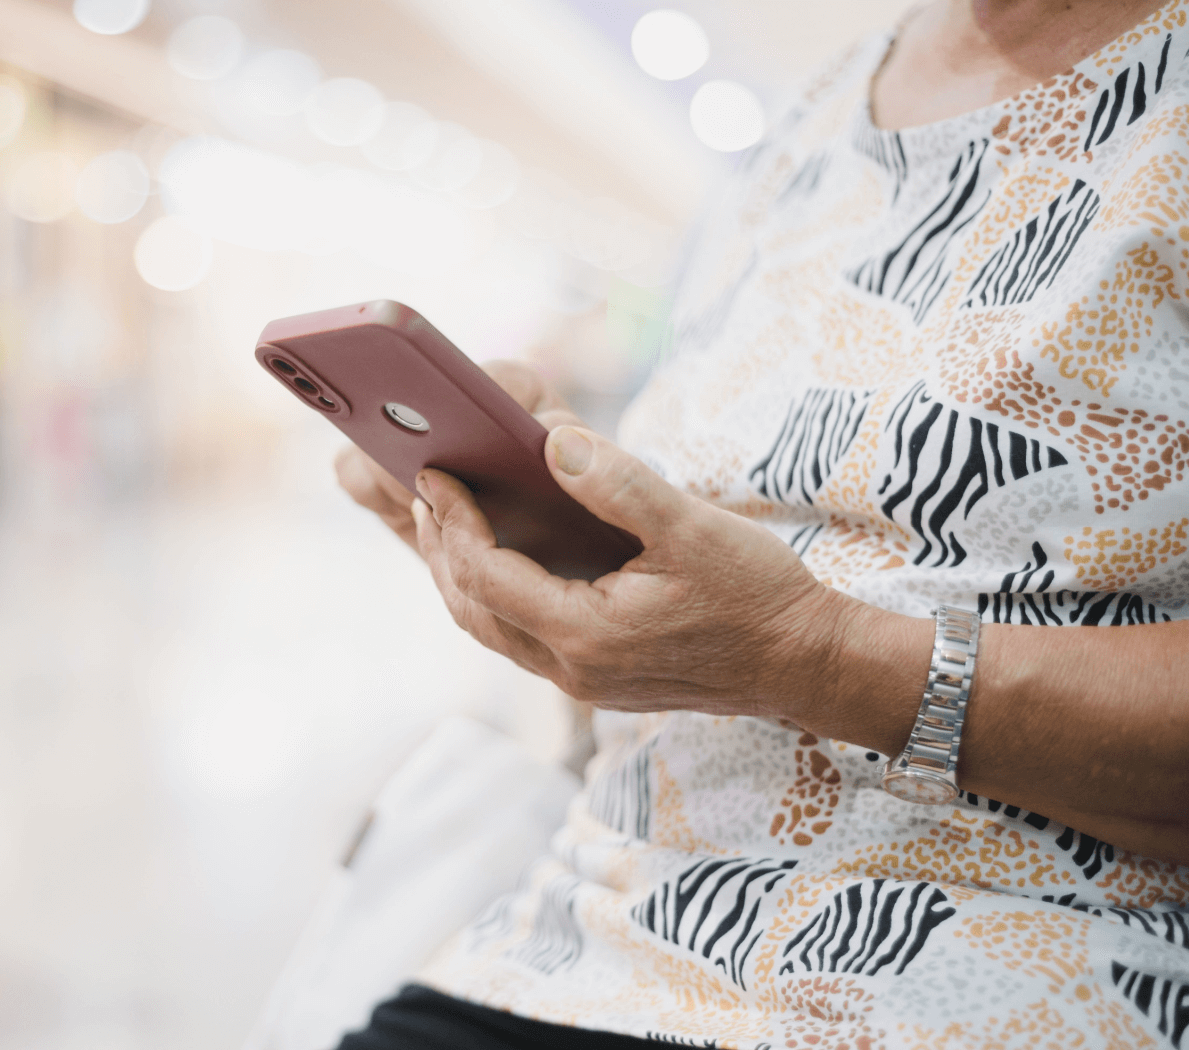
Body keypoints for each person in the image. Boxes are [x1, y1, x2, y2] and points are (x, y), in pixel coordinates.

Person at [332, 0, 1189, 1046]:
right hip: (579, 946)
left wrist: (814, 658)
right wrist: (552, 544)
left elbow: (795, 632)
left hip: (995, 983)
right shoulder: (806, 127)